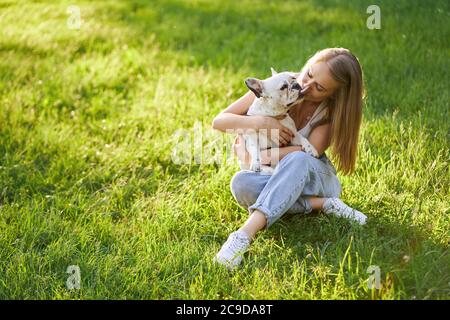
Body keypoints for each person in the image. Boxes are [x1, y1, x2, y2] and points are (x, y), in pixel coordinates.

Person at [211, 48, 368, 270]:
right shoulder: (278, 84)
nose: (305, 85)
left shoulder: (331, 111)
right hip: (279, 176)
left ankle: (243, 236)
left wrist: (261, 156)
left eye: (319, 87)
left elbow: (307, 152)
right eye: (309, 74)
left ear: (333, 95)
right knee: (241, 183)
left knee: (297, 158)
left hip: (315, 178)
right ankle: (322, 205)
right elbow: (219, 121)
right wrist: (261, 123)